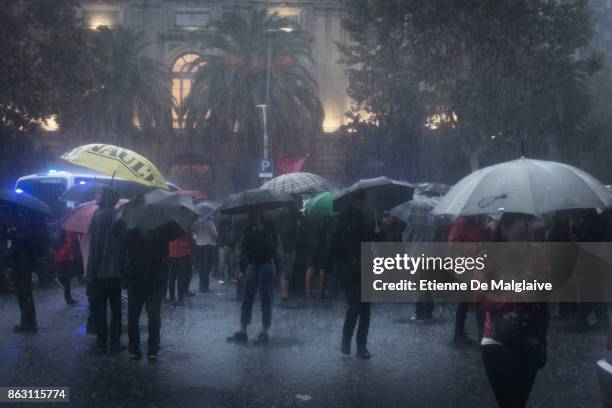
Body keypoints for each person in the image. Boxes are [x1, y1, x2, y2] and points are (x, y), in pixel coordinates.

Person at [478, 213, 550, 408]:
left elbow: (546, 291)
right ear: (504, 230)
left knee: (519, 403)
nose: (524, 241)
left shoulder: (537, 252)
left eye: (527, 236)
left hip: (529, 338)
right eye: (519, 235)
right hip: (496, 339)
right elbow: (481, 297)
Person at [333, 191, 379, 359]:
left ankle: (362, 345)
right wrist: (348, 260)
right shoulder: (344, 218)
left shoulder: (368, 217)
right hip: (349, 269)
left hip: (365, 266)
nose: (364, 205)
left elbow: (373, 240)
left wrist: (377, 231)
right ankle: (346, 338)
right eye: (362, 202)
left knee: (366, 308)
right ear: (355, 201)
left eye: (365, 202)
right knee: (355, 305)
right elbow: (336, 244)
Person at [227, 205, 279, 345]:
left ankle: (264, 330)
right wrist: (242, 270)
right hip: (252, 265)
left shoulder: (269, 225)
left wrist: (262, 230)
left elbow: (272, 247)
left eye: (257, 210)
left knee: (266, 298)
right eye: (252, 210)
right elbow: (244, 249)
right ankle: (243, 330)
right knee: (247, 297)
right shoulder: (248, 227)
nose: (255, 213)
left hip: (266, 264)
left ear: (262, 211)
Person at [87, 187, 125, 353]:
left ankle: (102, 341)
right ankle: (115, 342)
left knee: (100, 307)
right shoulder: (119, 216)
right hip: (115, 272)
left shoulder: (97, 216)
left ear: (106, 198)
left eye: (100, 194)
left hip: (99, 271)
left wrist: (91, 271)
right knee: (116, 308)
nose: (97, 196)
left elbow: (95, 246)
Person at [448, 215, 491, 344]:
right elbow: (453, 244)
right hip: (465, 268)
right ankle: (458, 333)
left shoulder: (482, 223)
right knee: (465, 301)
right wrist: (473, 247)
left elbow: (486, 242)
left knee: (480, 301)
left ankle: (481, 334)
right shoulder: (461, 223)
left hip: (479, 268)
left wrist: (487, 230)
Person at [125, 229, 168, 359]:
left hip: (135, 281)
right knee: (154, 317)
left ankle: (134, 349)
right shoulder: (160, 233)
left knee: (133, 317)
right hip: (154, 281)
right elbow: (165, 257)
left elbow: (125, 256)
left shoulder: (130, 232)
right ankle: (153, 350)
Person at [6, 205, 48, 334]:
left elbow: (29, 236)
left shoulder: (30, 217)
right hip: (20, 258)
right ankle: (26, 321)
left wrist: (13, 233)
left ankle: (30, 323)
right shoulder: (22, 216)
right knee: (21, 291)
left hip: (25, 259)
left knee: (25, 291)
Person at [274, 205, 300, 302]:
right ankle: (284, 295)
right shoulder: (290, 217)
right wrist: (297, 226)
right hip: (288, 248)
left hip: (283, 248)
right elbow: (289, 231)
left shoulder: (280, 215)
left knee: (285, 271)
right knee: (286, 272)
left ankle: (285, 294)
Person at [53, 230, 81, 305]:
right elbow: (70, 243)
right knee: (74, 273)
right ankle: (60, 278)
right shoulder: (70, 231)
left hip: (60, 256)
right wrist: (72, 254)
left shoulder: (66, 231)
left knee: (67, 280)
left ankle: (68, 299)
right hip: (65, 257)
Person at [192, 216, 218, 293]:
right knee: (207, 267)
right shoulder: (209, 222)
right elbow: (214, 234)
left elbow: (194, 232)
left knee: (201, 266)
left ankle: (201, 286)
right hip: (207, 246)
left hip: (198, 245)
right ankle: (205, 287)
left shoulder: (197, 222)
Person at [167, 233, 192, 305]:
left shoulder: (170, 227)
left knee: (172, 275)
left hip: (172, 252)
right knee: (181, 276)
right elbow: (189, 238)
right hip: (183, 254)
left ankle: (172, 298)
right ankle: (180, 298)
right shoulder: (184, 227)